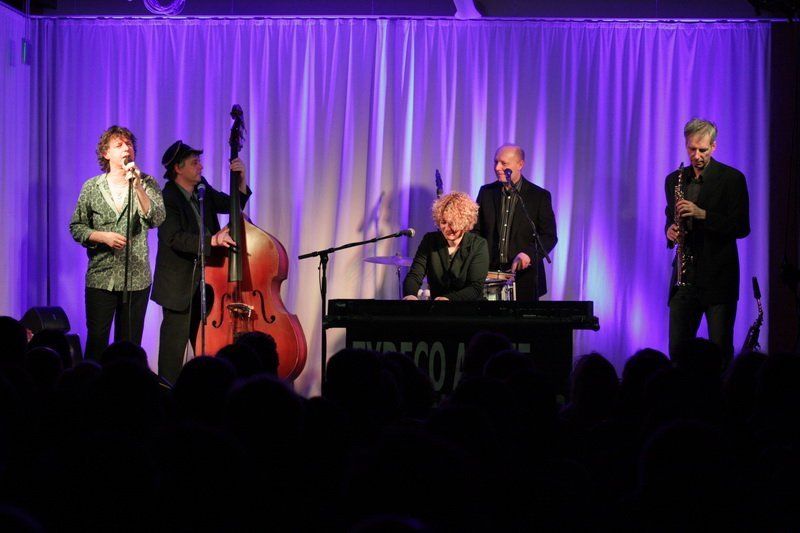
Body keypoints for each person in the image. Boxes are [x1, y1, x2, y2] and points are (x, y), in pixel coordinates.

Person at [151, 141, 250, 384]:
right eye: (194, 163)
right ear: (178, 168)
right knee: (173, 351)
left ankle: (206, 390)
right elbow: (174, 238)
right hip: (179, 285)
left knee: (206, 345)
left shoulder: (201, 188)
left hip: (208, 281)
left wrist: (241, 180)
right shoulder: (167, 198)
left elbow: (231, 205)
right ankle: (167, 393)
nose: (201, 167)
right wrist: (212, 240)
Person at [69, 126, 165, 361]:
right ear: (106, 153)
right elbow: (77, 227)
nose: (126, 148)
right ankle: (93, 382)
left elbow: (156, 219)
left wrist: (138, 186)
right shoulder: (92, 187)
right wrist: (102, 236)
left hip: (136, 277)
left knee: (129, 346)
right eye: (119, 145)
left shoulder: (147, 182)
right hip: (101, 276)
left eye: (129, 144)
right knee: (97, 341)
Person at [665, 118, 750, 366]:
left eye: (703, 150)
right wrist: (669, 231)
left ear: (713, 146)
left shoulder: (732, 179)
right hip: (684, 279)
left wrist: (703, 214)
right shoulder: (674, 179)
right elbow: (670, 215)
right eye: (692, 149)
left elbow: (741, 227)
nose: (697, 156)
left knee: (720, 352)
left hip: (718, 279)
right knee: (678, 353)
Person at [474, 144, 557, 301]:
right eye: (496, 162)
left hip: (525, 278)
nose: (497, 167)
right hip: (490, 276)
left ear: (520, 164)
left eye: (504, 163)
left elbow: (549, 236)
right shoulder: (486, 192)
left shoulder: (539, 196)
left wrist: (529, 254)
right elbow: (475, 231)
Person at [403, 192, 489, 301]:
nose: (447, 229)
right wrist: (410, 295)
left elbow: (475, 288)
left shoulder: (478, 245)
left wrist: (448, 299)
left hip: (469, 308)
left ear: (465, 222)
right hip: (437, 307)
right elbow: (414, 276)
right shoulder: (430, 241)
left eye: (453, 223)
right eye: (443, 222)